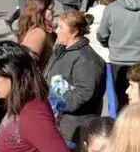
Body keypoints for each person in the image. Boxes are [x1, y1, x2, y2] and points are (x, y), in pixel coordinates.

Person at [45, 10, 107, 143]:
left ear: (74, 32)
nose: (57, 30)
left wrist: (56, 101)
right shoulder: (63, 50)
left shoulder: (87, 60)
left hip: (75, 127)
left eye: (61, 27)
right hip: (60, 121)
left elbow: (84, 94)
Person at [16, 0, 56, 71]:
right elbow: (27, 64)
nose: (53, 12)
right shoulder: (38, 33)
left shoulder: (42, 29)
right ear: (39, 10)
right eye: (50, 9)